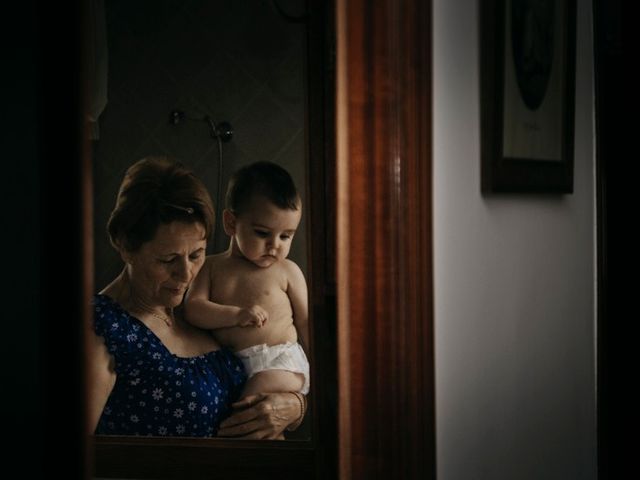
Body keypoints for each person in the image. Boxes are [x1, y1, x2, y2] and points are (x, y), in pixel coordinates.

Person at [88, 156, 306, 439]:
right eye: (168, 260)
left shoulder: (196, 301)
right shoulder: (101, 328)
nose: (186, 274)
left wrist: (294, 406)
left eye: (196, 254)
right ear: (125, 245)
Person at [184, 161, 310, 402]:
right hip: (233, 366)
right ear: (231, 223)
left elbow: (305, 322)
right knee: (258, 427)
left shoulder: (288, 271)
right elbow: (193, 309)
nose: (275, 245)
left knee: (250, 401)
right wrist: (236, 315)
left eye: (286, 236)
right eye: (263, 233)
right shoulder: (210, 267)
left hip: (280, 362)